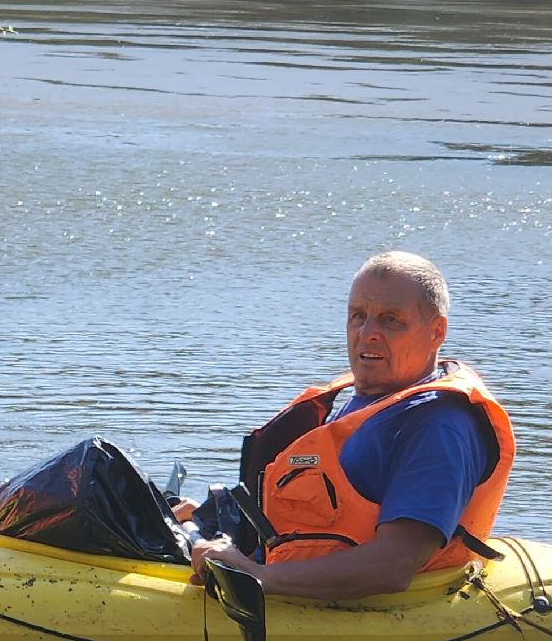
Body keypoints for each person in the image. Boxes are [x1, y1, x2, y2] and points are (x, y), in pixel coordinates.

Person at [188, 251, 513, 601]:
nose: (367, 333)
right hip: (278, 568)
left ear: (436, 331)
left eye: (390, 320)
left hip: (378, 605)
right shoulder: (366, 397)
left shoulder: (439, 426)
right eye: (358, 316)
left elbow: (394, 565)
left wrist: (257, 577)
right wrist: (210, 525)